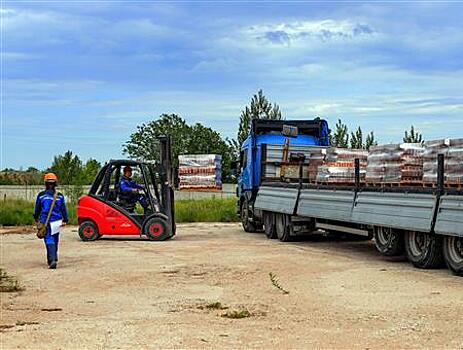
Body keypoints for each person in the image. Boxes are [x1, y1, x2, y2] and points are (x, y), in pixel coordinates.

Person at [34, 173, 68, 269]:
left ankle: (52, 260)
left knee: (49, 239)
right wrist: (65, 219)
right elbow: (63, 209)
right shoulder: (60, 196)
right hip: (57, 221)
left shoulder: (41, 196)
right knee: (55, 239)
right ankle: (54, 258)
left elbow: (37, 208)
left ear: (45, 183)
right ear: (55, 183)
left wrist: (36, 217)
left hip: (45, 222)